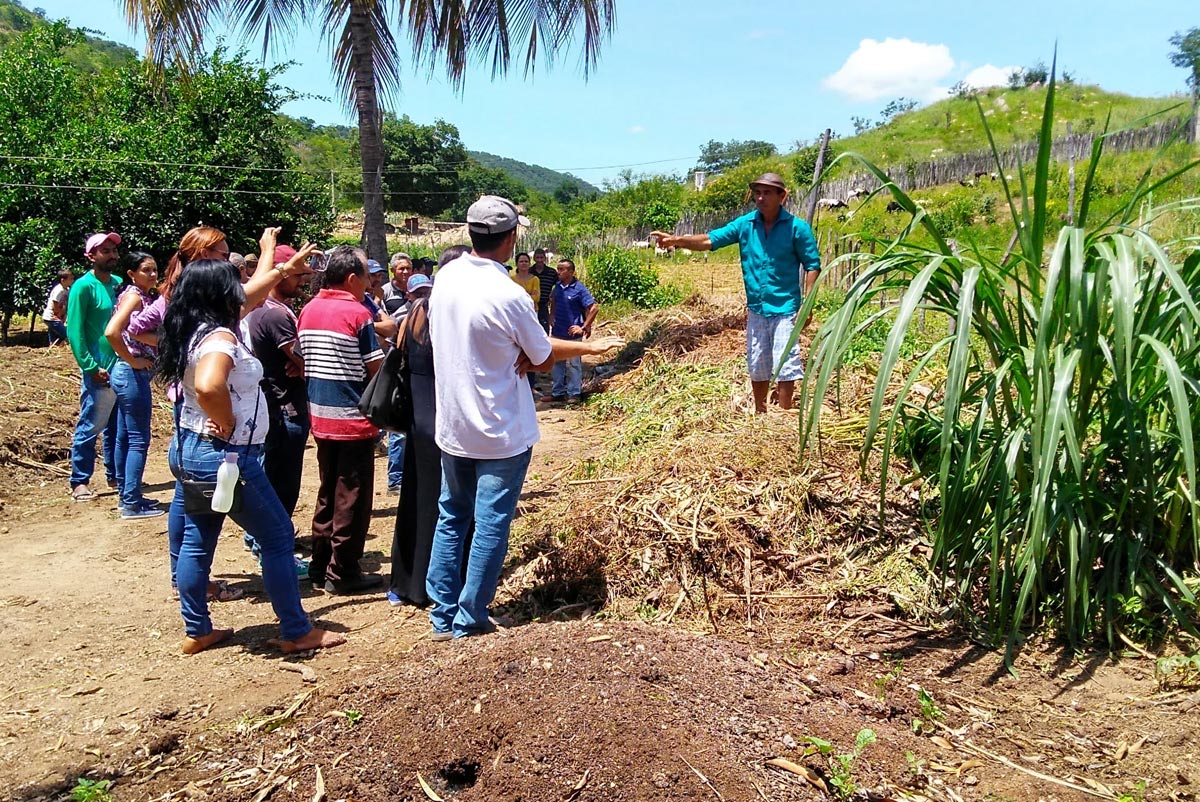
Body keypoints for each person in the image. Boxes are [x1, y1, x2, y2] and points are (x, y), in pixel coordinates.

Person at [424, 195, 624, 640]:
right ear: (512, 238)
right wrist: (589, 347)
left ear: (470, 232)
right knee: (491, 522)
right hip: (500, 431)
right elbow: (543, 357)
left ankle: (441, 614)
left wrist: (527, 354)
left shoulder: (447, 276)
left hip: (453, 424)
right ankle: (470, 617)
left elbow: (527, 354)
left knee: (452, 515)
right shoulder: (510, 295)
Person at [156, 256, 344, 655]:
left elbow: (252, 299)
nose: (241, 289)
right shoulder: (220, 339)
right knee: (276, 538)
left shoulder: (189, 327)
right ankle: (296, 630)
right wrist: (223, 420)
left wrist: (276, 260)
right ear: (220, 294)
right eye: (234, 283)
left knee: (197, 538)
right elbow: (209, 386)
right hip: (226, 456)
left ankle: (198, 628)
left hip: (189, 450)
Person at [651, 172, 821, 413]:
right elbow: (710, 240)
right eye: (757, 193)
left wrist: (808, 303)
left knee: (786, 361)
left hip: (786, 308)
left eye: (767, 193)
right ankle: (761, 414)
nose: (761, 198)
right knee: (757, 361)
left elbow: (812, 264)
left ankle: (782, 416)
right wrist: (676, 240)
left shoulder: (797, 228)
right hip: (757, 309)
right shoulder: (745, 225)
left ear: (782, 196)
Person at [297, 245, 386, 595]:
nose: (369, 285)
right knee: (353, 496)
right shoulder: (358, 314)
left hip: (319, 416)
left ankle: (320, 565)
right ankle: (343, 571)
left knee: (327, 492)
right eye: (366, 279)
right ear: (352, 279)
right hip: (351, 420)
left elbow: (303, 357)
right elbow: (375, 366)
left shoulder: (309, 309)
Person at [386, 271, 437, 608]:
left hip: (416, 424)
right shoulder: (441, 319)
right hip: (441, 427)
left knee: (412, 504)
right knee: (441, 508)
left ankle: (403, 585)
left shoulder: (411, 319)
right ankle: (430, 586)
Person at [104, 251, 164, 519]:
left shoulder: (142, 296)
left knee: (125, 436)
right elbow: (112, 331)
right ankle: (131, 502)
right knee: (139, 439)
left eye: (154, 270)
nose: (153, 274)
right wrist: (132, 359)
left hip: (125, 372)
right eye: (146, 270)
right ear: (131, 274)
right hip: (131, 372)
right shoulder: (134, 297)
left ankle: (127, 494)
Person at [66, 233, 124, 502]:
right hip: (98, 369)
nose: (112, 255)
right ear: (91, 256)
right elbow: (75, 331)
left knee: (116, 426)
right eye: (105, 251)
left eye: (113, 250)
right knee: (91, 425)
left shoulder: (120, 285)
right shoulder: (83, 287)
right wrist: (89, 366)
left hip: (122, 366)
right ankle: (80, 481)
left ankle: (115, 475)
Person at [547, 258, 598, 405]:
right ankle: (558, 393)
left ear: (571, 272)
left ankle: (574, 394)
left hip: (573, 333)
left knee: (574, 364)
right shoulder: (557, 286)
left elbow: (594, 307)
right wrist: (552, 315)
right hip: (558, 331)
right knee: (557, 362)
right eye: (558, 268)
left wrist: (583, 326)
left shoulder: (579, 288)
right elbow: (554, 300)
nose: (558, 272)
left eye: (562, 269)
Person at [42, 269, 73, 346]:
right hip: (51, 317)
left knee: (55, 339)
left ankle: (53, 347)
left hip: (55, 317)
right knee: (68, 336)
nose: (72, 280)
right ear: (63, 280)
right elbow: (55, 304)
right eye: (70, 279)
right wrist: (58, 316)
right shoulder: (59, 290)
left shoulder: (67, 289)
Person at [531, 248, 556, 332]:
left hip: (544, 305)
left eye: (541, 258)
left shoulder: (552, 272)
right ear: (534, 258)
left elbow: (559, 285)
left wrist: (552, 294)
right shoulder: (529, 271)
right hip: (530, 305)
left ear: (545, 258)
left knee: (544, 330)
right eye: (537, 258)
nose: (539, 260)